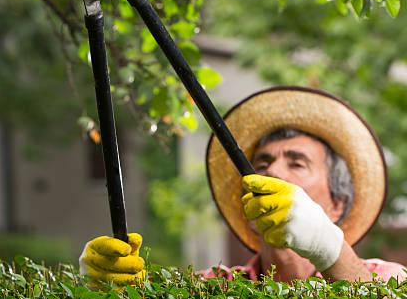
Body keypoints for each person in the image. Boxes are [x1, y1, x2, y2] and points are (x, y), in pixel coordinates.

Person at [80, 87, 406, 285]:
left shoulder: (389, 279)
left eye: (297, 163)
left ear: (337, 204)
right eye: (262, 163)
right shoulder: (213, 288)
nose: (271, 171)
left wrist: (326, 245)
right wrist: (113, 292)